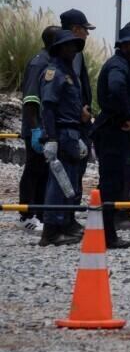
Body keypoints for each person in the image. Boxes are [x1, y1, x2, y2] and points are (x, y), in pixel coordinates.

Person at [91, 19, 130, 249]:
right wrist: (126, 117)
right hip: (112, 130)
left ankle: (105, 231)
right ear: (124, 44)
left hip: (112, 129)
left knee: (112, 182)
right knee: (111, 183)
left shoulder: (124, 64)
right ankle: (107, 235)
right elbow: (116, 89)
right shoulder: (118, 66)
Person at [37, 30, 90, 247]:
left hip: (71, 131)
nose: (73, 50)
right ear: (58, 49)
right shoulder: (54, 73)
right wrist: (51, 138)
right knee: (59, 181)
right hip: (61, 131)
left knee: (71, 181)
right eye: (68, 46)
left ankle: (65, 223)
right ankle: (50, 230)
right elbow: (48, 107)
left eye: (75, 46)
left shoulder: (68, 73)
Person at [17, 25, 59, 234]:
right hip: (36, 128)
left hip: (46, 128)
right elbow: (30, 99)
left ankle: (40, 214)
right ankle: (26, 216)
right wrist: (35, 130)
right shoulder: (39, 63)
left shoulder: (51, 62)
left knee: (44, 172)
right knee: (33, 170)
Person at [59, 8, 95, 118]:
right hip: (70, 116)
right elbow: (66, 86)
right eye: (85, 29)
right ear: (75, 29)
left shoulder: (77, 53)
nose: (87, 34)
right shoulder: (64, 52)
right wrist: (79, 110)